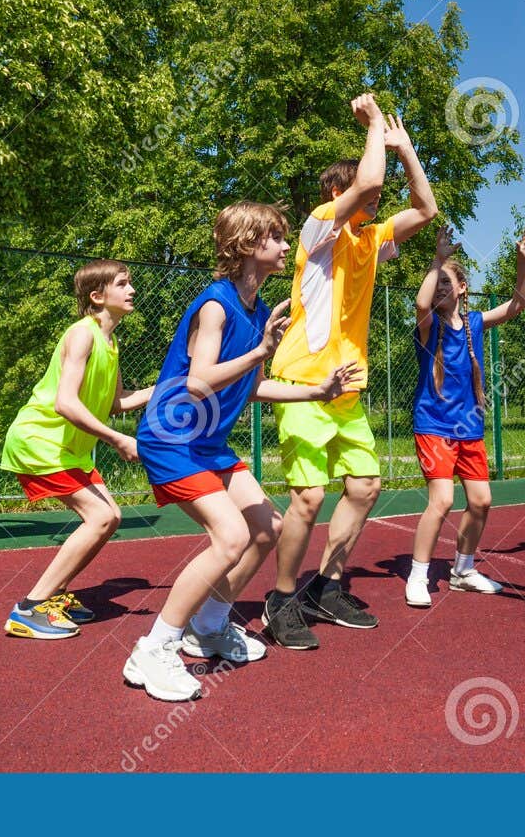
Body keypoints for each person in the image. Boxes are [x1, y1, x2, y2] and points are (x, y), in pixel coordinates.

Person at [122, 203, 359, 701]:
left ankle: (207, 626)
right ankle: (153, 649)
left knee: (268, 528)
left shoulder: (255, 311)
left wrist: (318, 392)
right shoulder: (216, 305)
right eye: (275, 238)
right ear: (249, 244)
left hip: (207, 442)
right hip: (172, 439)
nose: (282, 246)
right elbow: (199, 379)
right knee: (229, 537)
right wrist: (258, 353)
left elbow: (252, 389)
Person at [264, 93, 438, 649]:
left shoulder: (369, 239)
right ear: (339, 195)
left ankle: (327, 586)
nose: (374, 196)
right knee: (309, 499)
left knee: (364, 487)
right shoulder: (318, 231)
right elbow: (369, 186)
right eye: (362, 191)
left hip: (347, 389)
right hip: (302, 386)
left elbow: (425, 210)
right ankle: (282, 598)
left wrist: (406, 148)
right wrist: (370, 127)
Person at [0, 260, 151, 639]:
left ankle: (57, 596)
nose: (131, 290)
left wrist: (170, 386)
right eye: (123, 283)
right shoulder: (82, 335)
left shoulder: (111, 342)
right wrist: (117, 439)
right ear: (98, 296)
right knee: (100, 518)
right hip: (41, 442)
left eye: (130, 283)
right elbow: (65, 403)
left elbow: (117, 402)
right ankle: (30, 608)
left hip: (68, 449)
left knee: (110, 516)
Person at [404, 223, 525, 607]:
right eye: (436, 282)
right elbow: (421, 304)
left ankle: (463, 570)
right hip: (434, 425)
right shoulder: (429, 328)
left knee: (481, 501)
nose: (441, 287)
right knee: (441, 500)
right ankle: (417, 575)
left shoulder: (475, 323)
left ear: (462, 287)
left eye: (448, 282)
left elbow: (518, 304)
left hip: (469, 428)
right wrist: (437, 261)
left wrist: (523, 266)